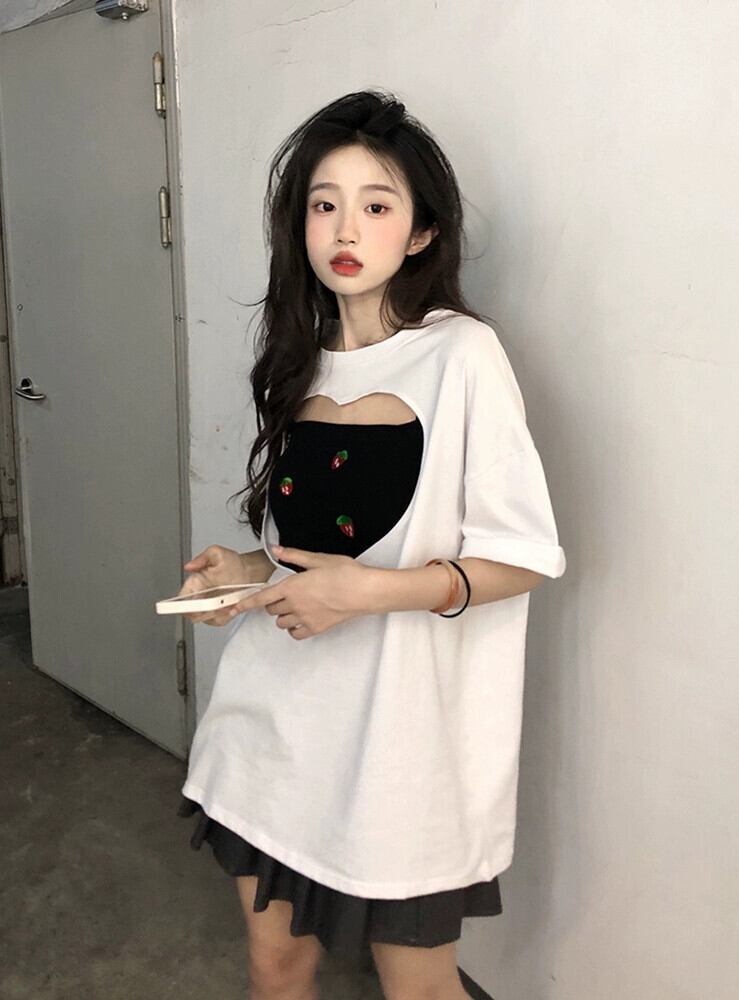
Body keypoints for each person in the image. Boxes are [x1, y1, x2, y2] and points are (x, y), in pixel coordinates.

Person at [177, 89, 566, 1000]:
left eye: (377, 204)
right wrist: (248, 570)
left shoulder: (461, 356)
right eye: (325, 203)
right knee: (275, 968)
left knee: (420, 990)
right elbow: (312, 549)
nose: (346, 228)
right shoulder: (298, 360)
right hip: (273, 732)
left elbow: (525, 555)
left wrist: (367, 595)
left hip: (400, 752)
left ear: (422, 233)